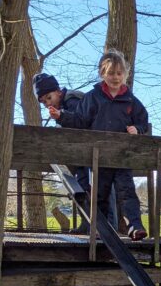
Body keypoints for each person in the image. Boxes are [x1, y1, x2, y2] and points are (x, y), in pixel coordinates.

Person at [49, 49, 148, 241]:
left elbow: (143, 120)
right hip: (98, 157)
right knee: (99, 195)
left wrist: (138, 129)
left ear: (125, 75)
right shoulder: (93, 97)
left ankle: (134, 226)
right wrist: (62, 116)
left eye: (119, 73)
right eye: (111, 73)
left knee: (127, 191)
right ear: (102, 74)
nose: (115, 77)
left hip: (121, 156)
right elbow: (80, 120)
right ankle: (102, 230)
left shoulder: (130, 100)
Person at [32, 72, 90, 233]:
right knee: (80, 185)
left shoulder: (72, 100)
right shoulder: (63, 107)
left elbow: (78, 123)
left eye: (49, 98)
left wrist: (60, 119)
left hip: (94, 151)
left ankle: (102, 226)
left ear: (58, 91)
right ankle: (87, 224)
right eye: (43, 102)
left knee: (93, 186)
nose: (47, 103)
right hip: (82, 154)